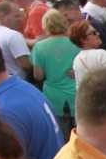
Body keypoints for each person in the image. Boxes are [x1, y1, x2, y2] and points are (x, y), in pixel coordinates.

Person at [31, 10, 79, 138]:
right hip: (75, 92)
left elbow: (38, 76)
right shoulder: (75, 43)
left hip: (53, 95)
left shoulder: (39, 47)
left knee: (62, 134)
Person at [69, 19, 106, 86]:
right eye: (93, 33)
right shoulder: (101, 54)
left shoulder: (77, 60)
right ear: (83, 39)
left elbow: (79, 86)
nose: (98, 33)